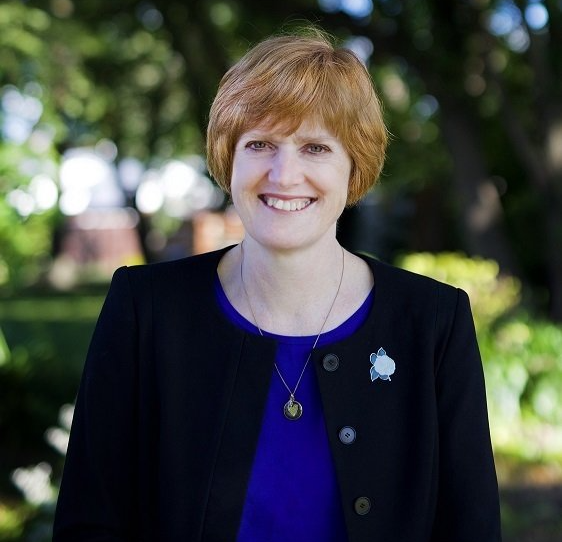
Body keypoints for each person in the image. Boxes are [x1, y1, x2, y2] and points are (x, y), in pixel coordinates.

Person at [53, 29, 502, 542]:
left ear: (353, 167)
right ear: (230, 159)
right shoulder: (145, 310)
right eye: (260, 144)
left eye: (314, 147)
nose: (284, 174)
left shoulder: (432, 321)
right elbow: (90, 523)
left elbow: (472, 529)